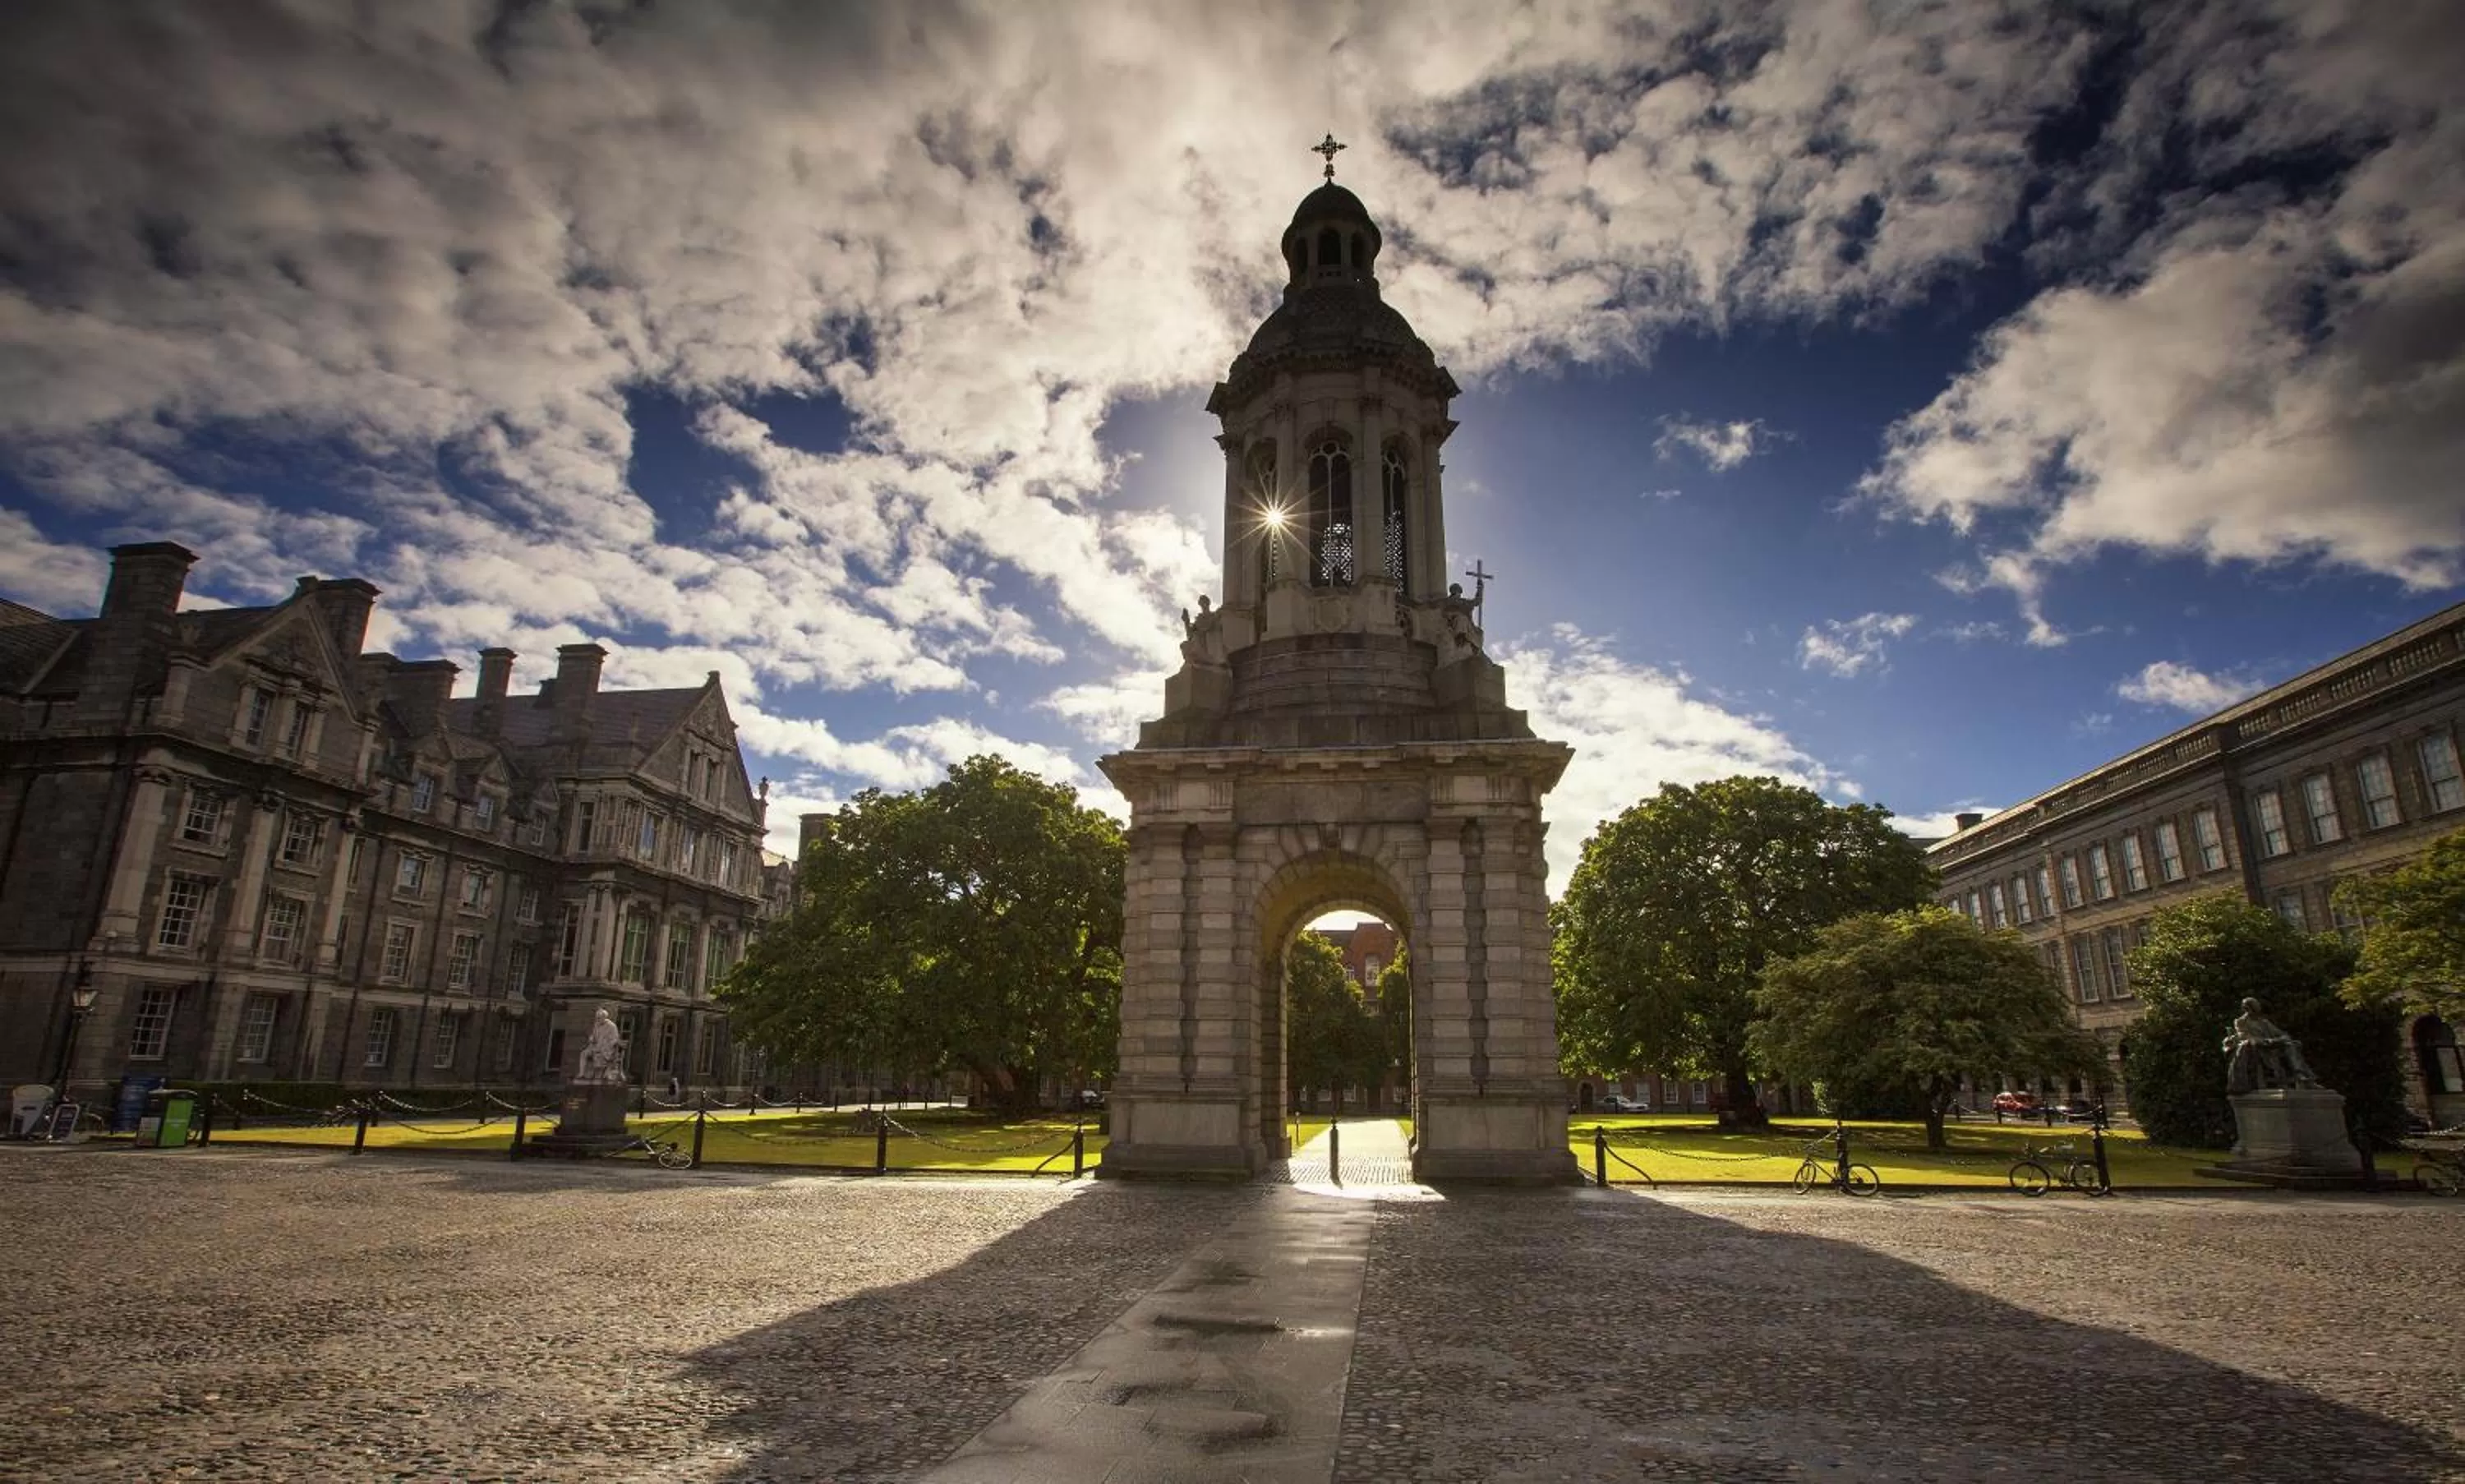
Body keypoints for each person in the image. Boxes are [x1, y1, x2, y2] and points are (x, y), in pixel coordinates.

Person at [2223, 997, 2318, 1094]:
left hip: (2273, 1047)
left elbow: (2280, 1033)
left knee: (2290, 1045)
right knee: (2285, 1046)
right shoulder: (2241, 1022)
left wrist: (2282, 1038)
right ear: (2246, 1009)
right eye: (2252, 1009)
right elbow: (2246, 1037)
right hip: (2260, 1049)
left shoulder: (2264, 1022)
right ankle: (2301, 1076)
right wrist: (2268, 1041)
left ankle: (2301, 1075)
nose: (2255, 1012)